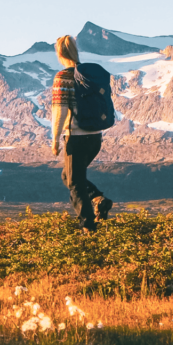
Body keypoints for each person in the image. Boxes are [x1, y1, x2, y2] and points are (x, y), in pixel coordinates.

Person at [51, 34, 113, 233]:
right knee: (69, 177)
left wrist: (55, 140)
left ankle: (88, 228)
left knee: (74, 184)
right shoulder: (88, 75)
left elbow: (59, 111)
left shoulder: (63, 77)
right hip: (95, 137)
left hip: (75, 138)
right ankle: (98, 199)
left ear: (60, 53)